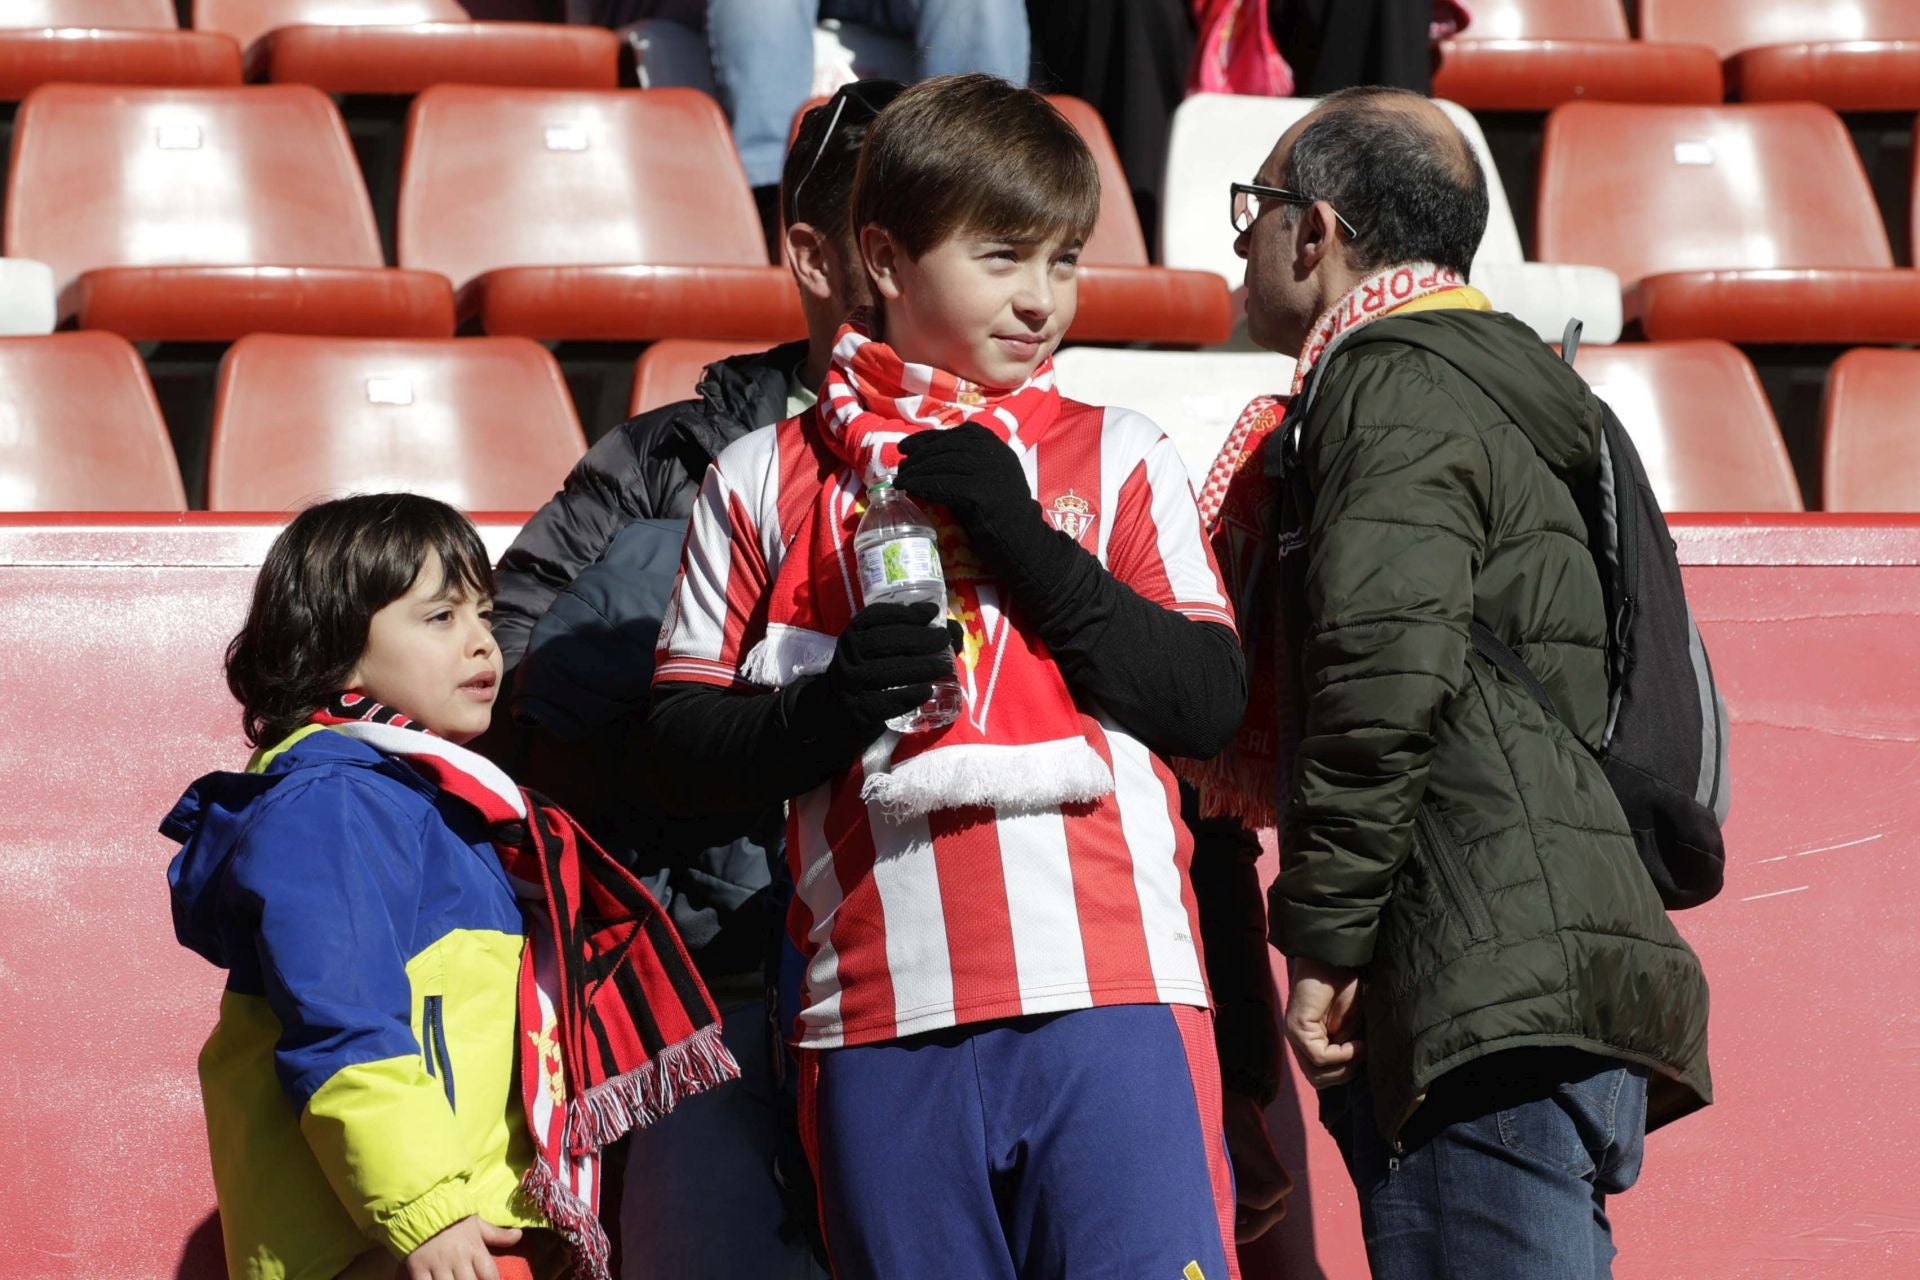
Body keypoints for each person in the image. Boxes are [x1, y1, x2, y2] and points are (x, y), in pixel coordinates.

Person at [645, 73, 1249, 1279]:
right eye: (1003, 256)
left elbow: (1205, 698)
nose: (1041, 301)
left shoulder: (1122, 451)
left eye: (1066, 261)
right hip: (869, 1017)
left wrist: (1020, 537)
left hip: (1116, 995)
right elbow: (672, 745)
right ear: (883, 255)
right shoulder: (758, 476)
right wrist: (826, 708)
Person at [1217, 86, 1712, 1277]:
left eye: (1256, 211)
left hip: (1471, 974)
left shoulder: (1389, 386)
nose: (1240, 241)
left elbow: (1379, 678)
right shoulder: (1503, 379)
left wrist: (1326, 946)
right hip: (1541, 963)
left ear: (1316, 229)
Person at [484, 80, 897, 1280]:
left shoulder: (1055, 460)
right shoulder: (668, 461)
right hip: (717, 999)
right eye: (897, 233)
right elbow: (510, 706)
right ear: (815, 257)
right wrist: (729, 574)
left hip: (974, 1004)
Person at [163, 494, 734, 1280]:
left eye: (485, 613)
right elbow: (343, 1025)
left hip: (459, 1228)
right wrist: (425, 1208)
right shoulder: (332, 803)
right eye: (440, 618)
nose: (483, 643)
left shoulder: (451, 807)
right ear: (335, 650)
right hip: (389, 1243)